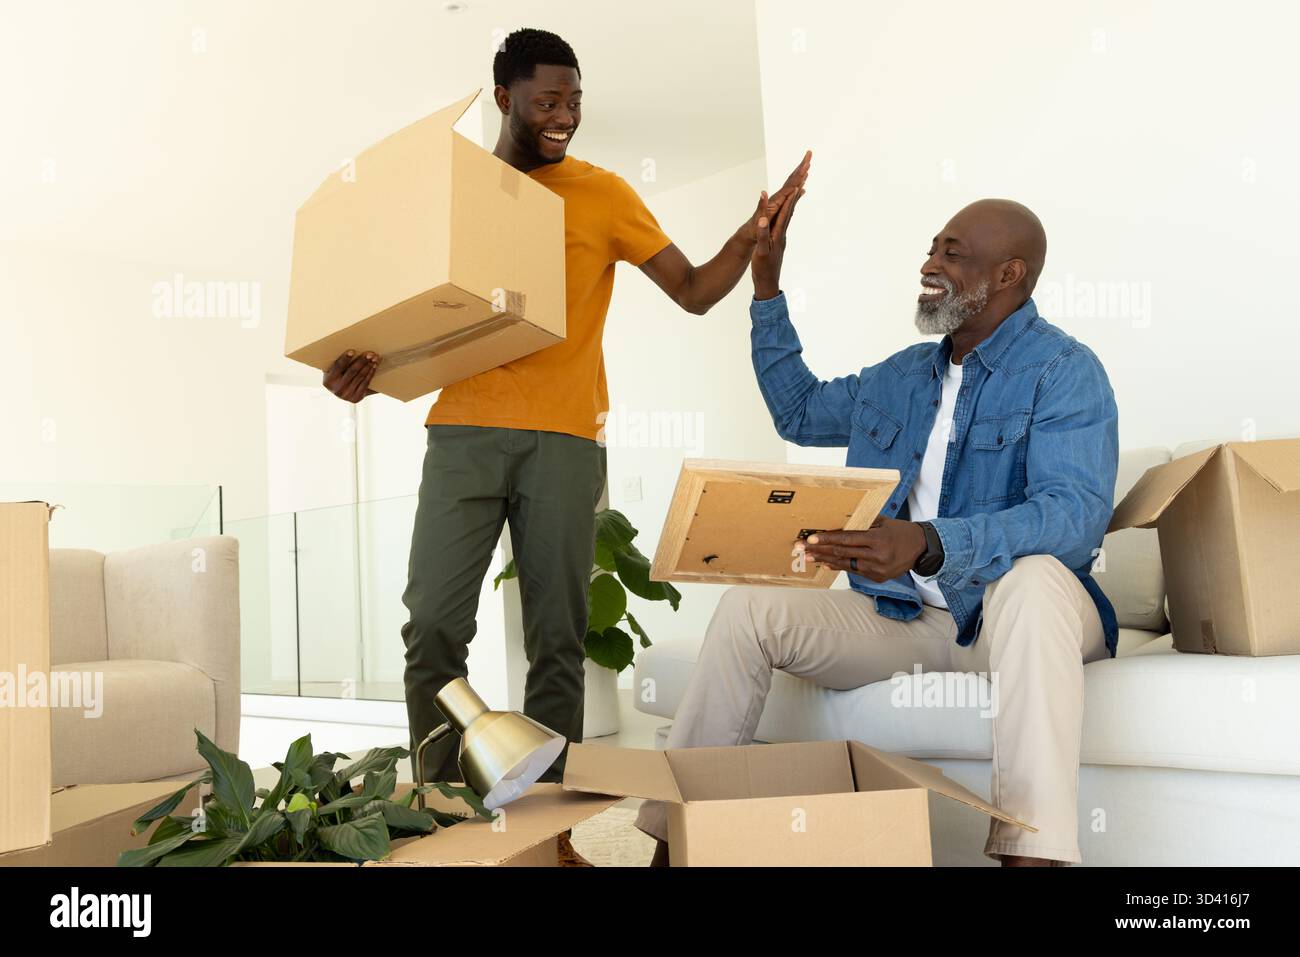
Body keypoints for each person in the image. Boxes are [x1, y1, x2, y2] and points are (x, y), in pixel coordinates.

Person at [322, 28, 810, 861]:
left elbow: (693, 292)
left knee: (558, 639)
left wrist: (750, 238)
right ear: (504, 97)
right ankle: (442, 816)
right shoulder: (453, 192)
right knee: (433, 628)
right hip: (464, 431)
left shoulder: (604, 193)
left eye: (575, 101)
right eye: (548, 101)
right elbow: (396, 311)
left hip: (565, 440)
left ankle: (547, 837)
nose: (565, 117)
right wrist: (360, 368)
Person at [635, 192, 1120, 867]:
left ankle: (1029, 857)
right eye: (932, 248)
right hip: (910, 619)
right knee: (747, 609)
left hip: (1015, 618)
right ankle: (675, 847)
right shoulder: (898, 378)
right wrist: (766, 284)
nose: (930, 263)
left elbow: (1073, 517)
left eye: (953, 253)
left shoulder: (1065, 371)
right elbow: (799, 411)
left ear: (1010, 274)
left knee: (1035, 578)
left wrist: (930, 541)